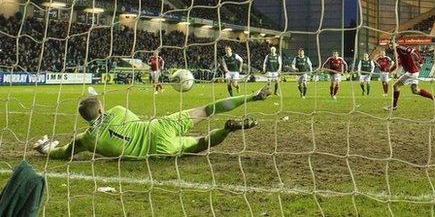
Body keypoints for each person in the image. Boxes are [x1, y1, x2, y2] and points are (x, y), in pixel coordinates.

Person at [33, 86, 272, 160]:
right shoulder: (117, 110)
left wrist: (45, 148)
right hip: (159, 127)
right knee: (207, 110)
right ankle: (253, 96)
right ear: (101, 108)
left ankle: (226, 130)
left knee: (199, 144)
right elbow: (131, 123)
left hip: (156, 150)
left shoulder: (86, 139)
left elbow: (64, 153)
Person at [384, 38, 435, 111]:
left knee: (396, 86)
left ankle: (394, 106)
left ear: (395, 43)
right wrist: (390, 70)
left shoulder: (399, 48)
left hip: (411, 72)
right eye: (389, 44)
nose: (390, 46)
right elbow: (398, 63)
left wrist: (419, 61)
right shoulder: (398, 52)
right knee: (415, 90)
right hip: (413, 72)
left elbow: (412, 51)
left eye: (391, 44)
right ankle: (433, 97)